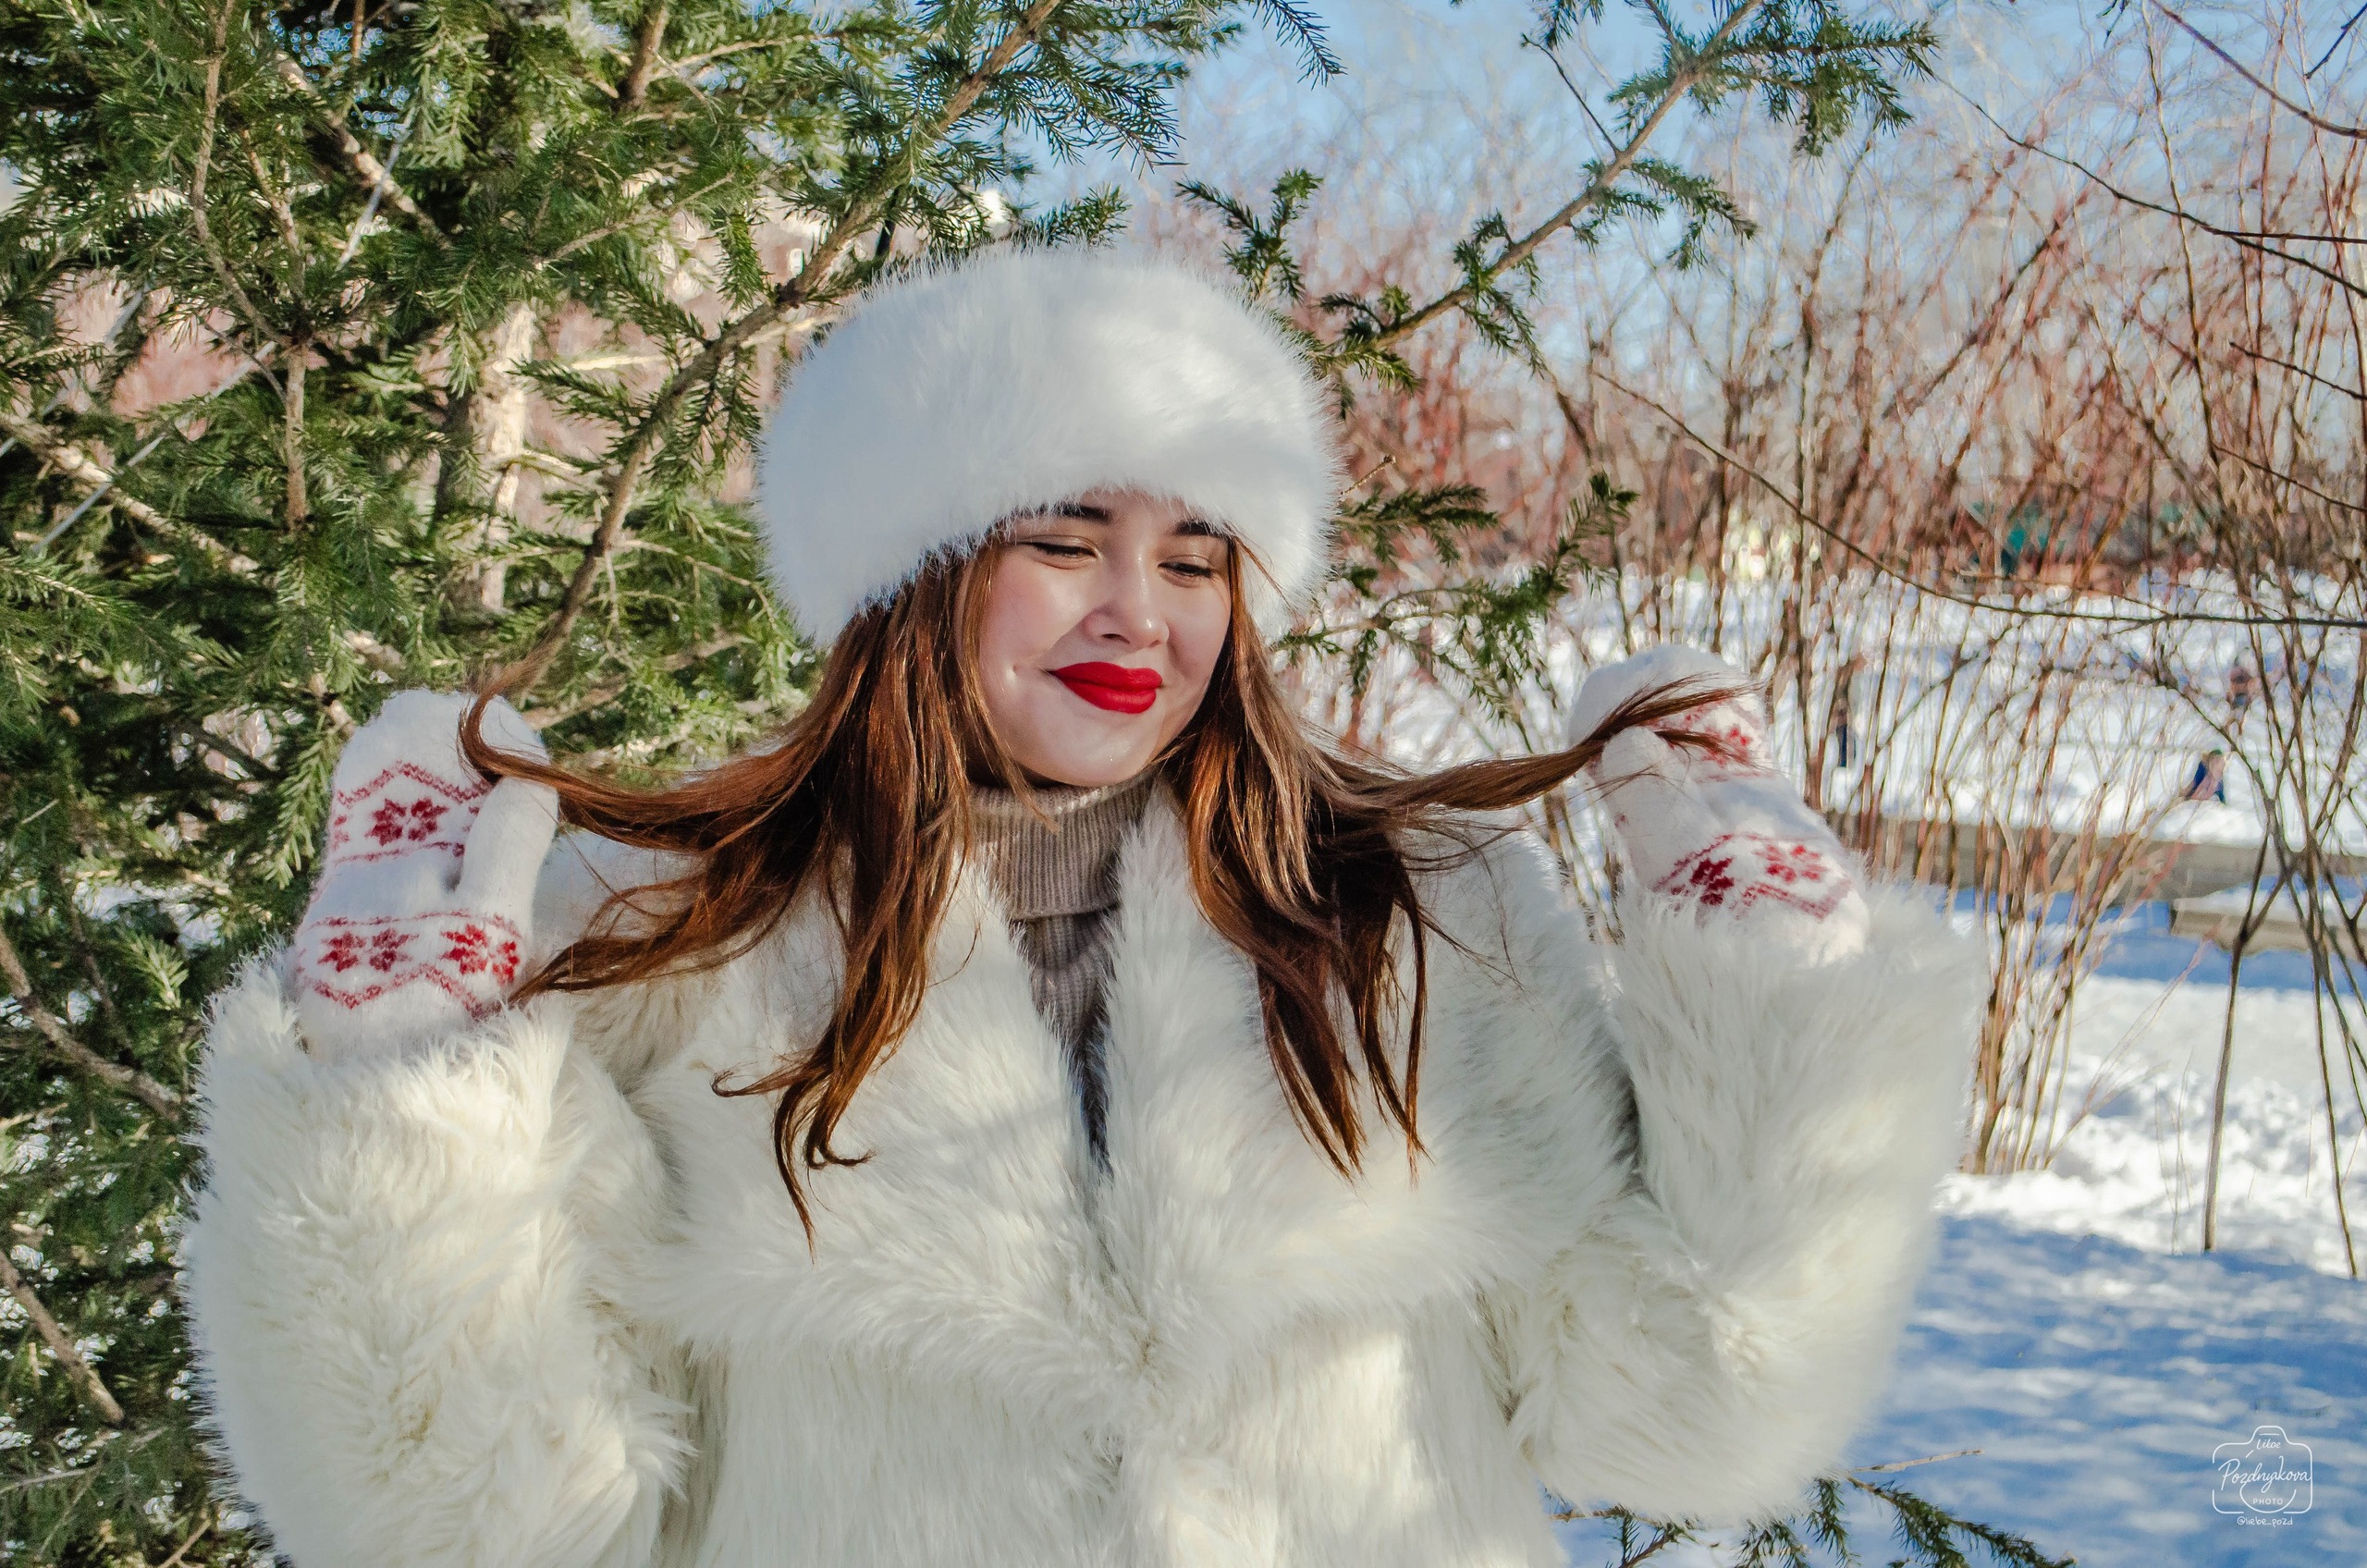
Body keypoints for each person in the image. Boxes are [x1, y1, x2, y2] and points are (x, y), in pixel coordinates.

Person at [180, 252, 1975, 1568]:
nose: (1141, 609)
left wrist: (1779, 988)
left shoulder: (1412, 908)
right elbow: (480, 1521)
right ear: (905, 567)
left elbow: (1676, 1405)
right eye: (1060, 537)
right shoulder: (674, 933)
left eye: (1195, 555)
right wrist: (393, 1106)